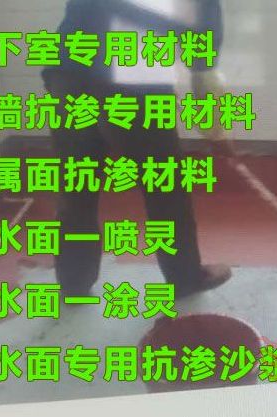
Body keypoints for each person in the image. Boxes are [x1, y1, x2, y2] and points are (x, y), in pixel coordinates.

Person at [42, 0, 231, 298]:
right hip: (133, 73)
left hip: (68, 69)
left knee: (76, 183)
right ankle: (185, 277)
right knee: (164, 185)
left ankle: (74, 282)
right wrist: (215, 128)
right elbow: (202, 44)